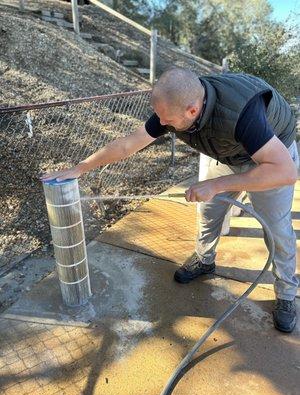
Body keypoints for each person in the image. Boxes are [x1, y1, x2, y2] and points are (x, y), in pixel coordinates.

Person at [42, 68, 299, 333]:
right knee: (209, 211)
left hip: (270, 157)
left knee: (277, 230)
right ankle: (204, 259)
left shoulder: (244, 115)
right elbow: (128, 144)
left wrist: (218, 184)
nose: (162, 123)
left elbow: (286, 172)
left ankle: (286, 294)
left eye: (167, 119)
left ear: (191, 111)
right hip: (225, 150)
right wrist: (81, 168)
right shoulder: (175, 108)